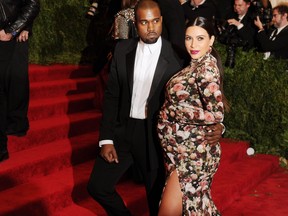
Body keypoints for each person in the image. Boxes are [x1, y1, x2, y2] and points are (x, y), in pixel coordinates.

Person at [87, 1, 223, 215]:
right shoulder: (122, 50)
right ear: (135, 23)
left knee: (157, 203)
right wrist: (106, 139)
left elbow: (208, 94)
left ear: (162, 21)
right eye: (144, 22)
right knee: (97, 187)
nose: (151, 28)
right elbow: (112, 97)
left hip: (155, 138)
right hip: (123, 132)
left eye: (155, 21)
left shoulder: (179, 57)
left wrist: (220, 126)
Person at [157, 16, 229, 215]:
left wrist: (172, 110)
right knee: (197, 207)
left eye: (200, 38)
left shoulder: (206, 68)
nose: (193, 44)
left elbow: (216, 113)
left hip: (193, 154)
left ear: (211, 40)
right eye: (189, 38)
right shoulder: (195, 64)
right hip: (182, 151)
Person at [0, 0, 40, 162]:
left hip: (9, 35)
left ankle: (16, 124)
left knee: (16, 81)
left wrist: (16, 29)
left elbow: (31, 4)